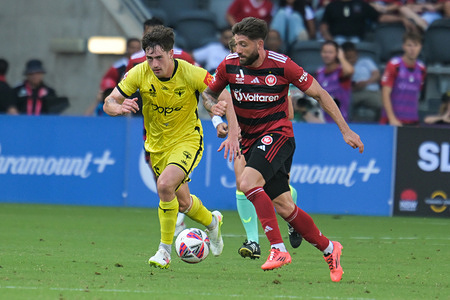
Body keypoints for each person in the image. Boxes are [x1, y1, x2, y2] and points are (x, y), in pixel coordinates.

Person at [202, 17, 364, 281]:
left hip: (278, 135)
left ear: (259, 44)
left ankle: (277, 248)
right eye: (236, 44)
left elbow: (320, 93)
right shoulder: (230, 65)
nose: (238, 50)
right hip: (249, 140)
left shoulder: (282, 64)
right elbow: (208, 95)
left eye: (243, 45)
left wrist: (345, 130)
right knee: (284, 205)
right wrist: (214, 110)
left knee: (247, 181)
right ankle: (329, 248)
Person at [103, 25, 229, 269]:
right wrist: (117, 108)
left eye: (159, 57)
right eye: (149, 58)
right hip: (157, 146)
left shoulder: (191, 72)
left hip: (187, 140)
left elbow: (218, 95)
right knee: (183, 203)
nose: (154, 64)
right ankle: (213, 222)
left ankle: (164, 251)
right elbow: (110, 100)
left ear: (172, 53)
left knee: (164, 185)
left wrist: (218, 118)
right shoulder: (139, 73)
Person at [85, 38, 141, 116]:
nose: (135, 51)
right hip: (123, 99)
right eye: (133, 48)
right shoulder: (119, 66)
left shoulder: (145, 64)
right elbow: (108, 81)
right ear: (127, 48)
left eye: (138, 48)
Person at [380, 31, 426, 126]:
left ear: (420, 47)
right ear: (403, 46)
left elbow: (419, 95)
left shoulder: (422, 68)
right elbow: (385, 93)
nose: (412, 49)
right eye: (409, 45)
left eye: (416, 45)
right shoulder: (394, 65)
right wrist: (392, 118)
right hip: (392, 121)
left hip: (412, 121)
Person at [342, 41, 382, 122]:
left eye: (353, 57)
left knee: (383, 105)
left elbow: (377, 75)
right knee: (342, 104)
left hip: (371, 92)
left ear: (356, 54)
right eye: (348, 58)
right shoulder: (343, 67)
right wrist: (355, 87)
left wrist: (366, 82)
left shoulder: (366, 62)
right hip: (353, 93)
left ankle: (380, 125)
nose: (351, 60)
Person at [315, 40, 354, 122]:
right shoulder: (319, 73)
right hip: (322, 120)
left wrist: (341, 57)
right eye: (324, 52)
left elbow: (350, 71)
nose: (327, 55)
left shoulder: (341, 72)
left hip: (340, 120)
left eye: (330, 52)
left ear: (337, 54)